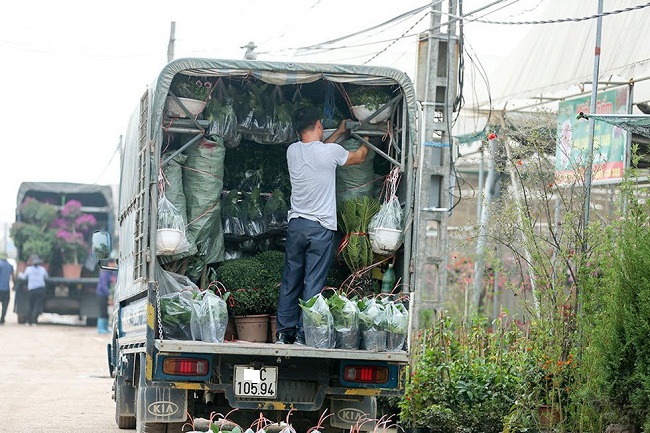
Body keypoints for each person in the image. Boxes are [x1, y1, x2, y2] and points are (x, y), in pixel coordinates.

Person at [275, 107, 369, 345]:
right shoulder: (332, 153)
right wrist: (367, 134)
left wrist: (337, 132)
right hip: (320, 229)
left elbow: (320, 149)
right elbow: (359, 157)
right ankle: (302, 335)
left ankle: (282, 333)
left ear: (297, 132)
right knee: (312, 283)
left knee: (290, 280)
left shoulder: (293, 151)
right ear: (318, 124)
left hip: (296, 226)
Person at [19, 254, 48, 325]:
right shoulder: (42, 269)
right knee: (38, 306)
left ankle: (29, 321)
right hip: (40, 289)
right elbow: (46, 277)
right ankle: (35, 320)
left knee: (31, 305)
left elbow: (23, 277)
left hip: (32, 290)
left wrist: (19, 274)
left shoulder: (28, 269)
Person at [96, 261, 116, 334]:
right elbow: (104, 285)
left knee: (107, 312)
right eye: (112, 263)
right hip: (102, 294)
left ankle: (105, 328)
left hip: (107, 294)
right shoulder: (105, 273)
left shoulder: (113, 272)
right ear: (109, 264)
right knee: (103, 311)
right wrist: (109, 294)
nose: (113, 265)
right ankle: (101, 328)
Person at [0, 251, 15, 324]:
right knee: (5, 305)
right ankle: (2, 319)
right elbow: (13, 276)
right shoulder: (10, 266)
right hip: (6, 289)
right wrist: (14, 285)